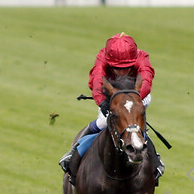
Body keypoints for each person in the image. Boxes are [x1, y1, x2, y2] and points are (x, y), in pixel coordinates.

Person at [58, 33, 163, 183]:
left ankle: (155, 161)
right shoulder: (102, 58)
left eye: (127, 68)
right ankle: (74, 153)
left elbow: (146, 79)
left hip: (138, 94)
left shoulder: (142, 57)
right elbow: (96, 80)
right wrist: (102, 101)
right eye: (117, 68)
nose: (122, 72)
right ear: (109, 61)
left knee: (134, 122)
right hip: (111, 95)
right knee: (102, 123)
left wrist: (134, 97)